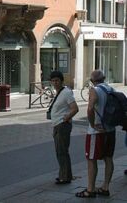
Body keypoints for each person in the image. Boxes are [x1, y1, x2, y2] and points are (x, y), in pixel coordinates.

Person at [79, 69, 116, 198]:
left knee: (91, 159)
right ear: (104, 78)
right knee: (108, 159)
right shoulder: (111, 89)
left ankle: (90, 189)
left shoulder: (95, 90)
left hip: (97, 131)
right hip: (110, 130)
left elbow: (90, 108)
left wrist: (93, 124)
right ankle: (105, 187)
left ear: (92, 80)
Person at [47, 70, 78, 185]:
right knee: (60, 151)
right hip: (57, 125)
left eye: (57, 80)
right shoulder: (59, 92)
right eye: (53, 81)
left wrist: (66, 118)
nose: (55, 83)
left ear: (61, 81)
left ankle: (65, 177)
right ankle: (64, 175)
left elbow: (75, 108)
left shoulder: (66, 92)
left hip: (62, 126)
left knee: (62, 151)